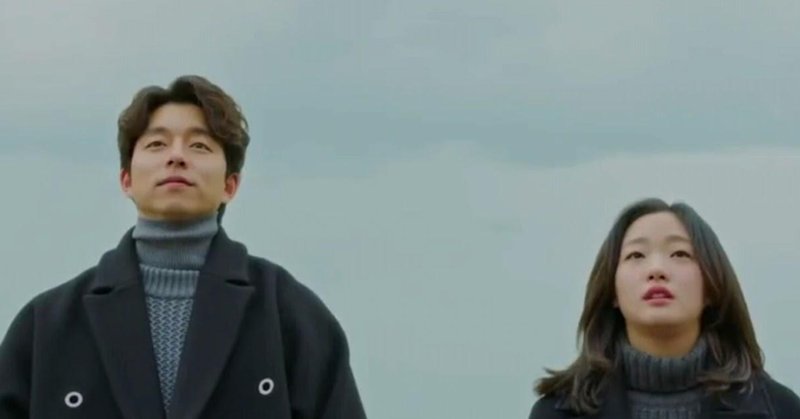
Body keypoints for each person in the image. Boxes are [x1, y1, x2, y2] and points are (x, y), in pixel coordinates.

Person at [0, 75, 367, 418]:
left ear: (230, 185)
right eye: (156, 144)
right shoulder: (47, 325)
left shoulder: (287, 311)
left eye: (199, 145)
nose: (176, 156)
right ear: (126, 179)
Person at [528, 198, 800, 419]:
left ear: (712, 286)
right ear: (612, 291)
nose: (657, 269)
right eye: (636, 255)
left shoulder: (780, 410)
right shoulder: (556, 413)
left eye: (680, 254)